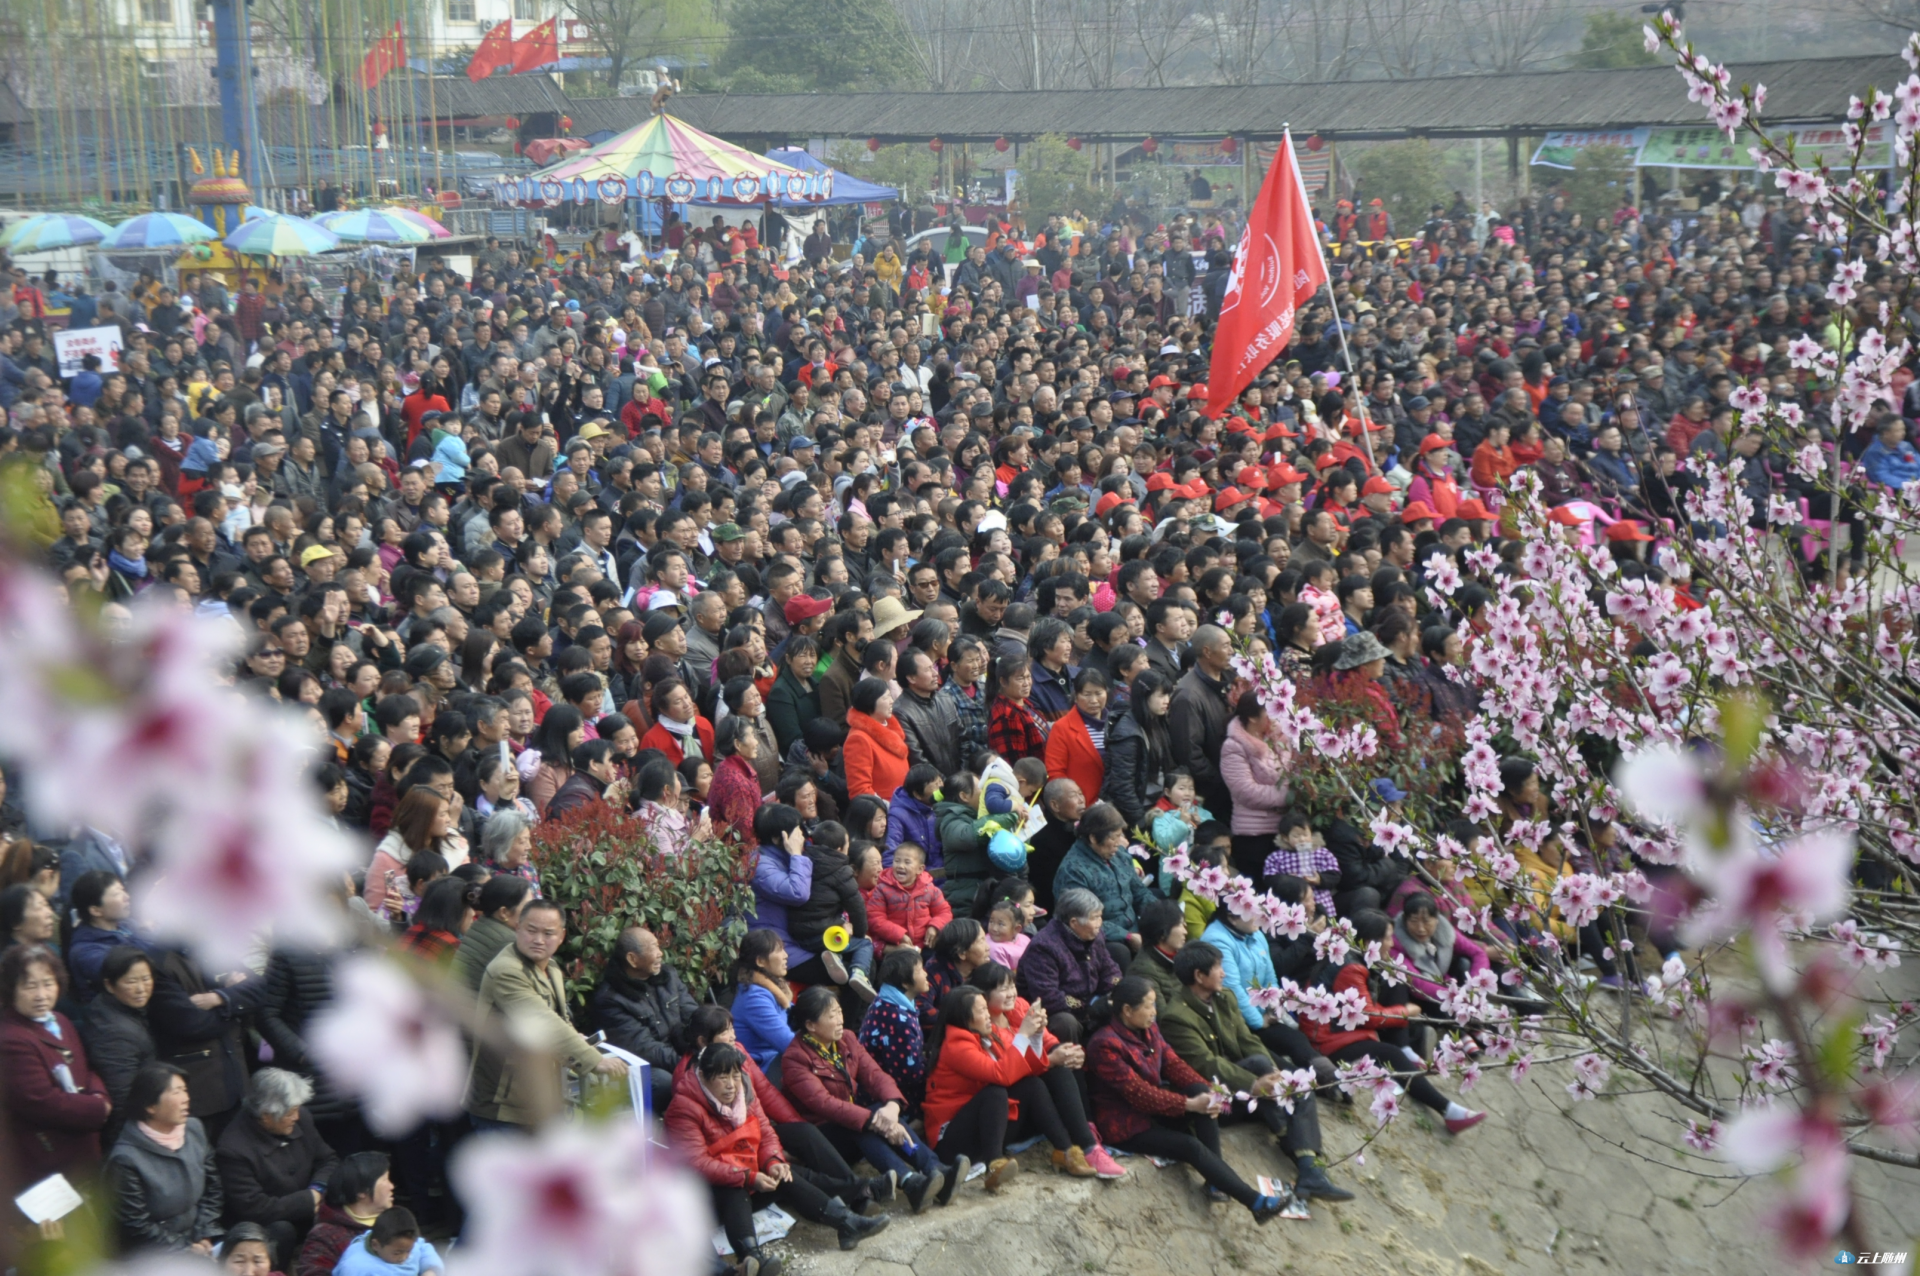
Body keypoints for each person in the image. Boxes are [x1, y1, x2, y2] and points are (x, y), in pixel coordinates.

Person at [1157, 941, 1352, 1202]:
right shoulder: (1176, 1017)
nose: (1224, 973)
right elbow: (1206, 1064)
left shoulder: (1224, 998)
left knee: (1297, 1083)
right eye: (1218, 968)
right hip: (1214, 1098)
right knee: (1260, 1067)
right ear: (1199, 976)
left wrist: (1274, 1072)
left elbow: (1246, 1039)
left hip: (1246, 1085)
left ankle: (1310, 1171)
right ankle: (1302, 1159)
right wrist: (1254, 1084)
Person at [1085, 977, 1289, 1222]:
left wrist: (1209, 1093)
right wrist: (1188, 1105)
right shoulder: (1104, 1045)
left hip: (1156, 1111)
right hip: (1127, 1125)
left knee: (1199, 1089)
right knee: (1190, 1146)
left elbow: (1173, 1064)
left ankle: (1216, 1182)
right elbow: (1139, 1094)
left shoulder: (1148, 1029)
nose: (1154, 1011)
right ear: (1127, 1010)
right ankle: (1255, 1202)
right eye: (1148, 1006)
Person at [664, 1042, 890, 1265]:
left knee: (785, 1174)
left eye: (735, 1075)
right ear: (703, 1076)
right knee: (734, 1187)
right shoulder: (684, 1107)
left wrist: (773, 1161)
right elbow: (698, 1164)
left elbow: (765, 1133)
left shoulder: (744, 1093)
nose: (731, 1085)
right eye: (723, 1077)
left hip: (745, 1171)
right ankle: (751, 1258)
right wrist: (748, 1177)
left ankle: (846, 1223)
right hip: (707, 1195)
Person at [778, 985, 962, 1212]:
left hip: (851, 1121)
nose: (840, 1020)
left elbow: (875, 1075)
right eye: (832, 1016)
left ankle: (937, 1172)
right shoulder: (795, 1059)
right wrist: (876, 1121)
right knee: (865, 1122)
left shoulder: (846, 1039)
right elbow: (825, 1105)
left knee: (878, 1114)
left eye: (839, 1012)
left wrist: (892, 1106)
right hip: (821, 1139)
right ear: (810, 1025)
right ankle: (910, 1181)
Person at [1301, 910, 1486, 1134]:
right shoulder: (1350, 968)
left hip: (1345, 1026)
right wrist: (1404, 1012)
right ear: (1371, 942)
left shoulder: (1355, 957)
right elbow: (1368, 1016)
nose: (1391, 943)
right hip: (1328, 1040)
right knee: (1391, 1054)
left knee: (1396, 980)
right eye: (1387, 938)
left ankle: (1408, 1045)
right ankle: (1447, 1110)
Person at [465, 899, 627, 1130]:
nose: (539, 940)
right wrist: (594, 1061)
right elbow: (542, 1020)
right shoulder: (506, 971)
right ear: (517, 928)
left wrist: (575, 1037)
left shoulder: (550, 967)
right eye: (531, 930)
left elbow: (559, 1018)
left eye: (548, 933)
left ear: (561, 936)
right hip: (503, 1102)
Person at [2, 943, 112, 1183]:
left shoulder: (61, 1020)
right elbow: (42, 1102)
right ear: (11, 989)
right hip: (46, 1158)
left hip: (82, 1149)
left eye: (48, 983)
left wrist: (100, 1096)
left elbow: (86, 1070)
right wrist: (96, 1109)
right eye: (30, 986)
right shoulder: (10, 1039)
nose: (41, 995)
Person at [215, 1068, 339, 1261]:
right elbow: (254, 1208)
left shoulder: (301, 1119)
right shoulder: (233, 1148)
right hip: (269, 1223)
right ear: (266, 1116)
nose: (296, 1117)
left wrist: (317, 1189)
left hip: (312, 1205)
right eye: (290, 1113)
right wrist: (306, 1200)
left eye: (297, 1109)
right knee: (281, 1230)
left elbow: (328, 1160)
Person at [105, 1061, 226, 1253]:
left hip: (199, 1238)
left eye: (185, 1090)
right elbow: (136, 1225)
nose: (186, 1098)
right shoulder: (125, 1159)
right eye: (176, 1092)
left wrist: (205, 1233)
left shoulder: (194, 1129)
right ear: (150, 1106)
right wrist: (187, 1248)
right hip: (156, 1252)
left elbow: (213, 1188)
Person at [591, 924, 698, 1117]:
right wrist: (690, 1065)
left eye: (658, 946)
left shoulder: (668, 976)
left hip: (679, 1052)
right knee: (666, 1081)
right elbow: (645, 1048)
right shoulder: (610, 1000)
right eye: (653, 948)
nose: (660, 954)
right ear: (632, 959)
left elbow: (693, 1014)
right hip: (643, 1066)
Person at [1050, 803, 1157, 970]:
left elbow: (1139, 892)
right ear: (1093, 838)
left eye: (1119, 836)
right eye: (1113, 837)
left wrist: (1159, 916)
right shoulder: (1073, 871)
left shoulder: (1120, 855)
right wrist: (1128, 936)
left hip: (1133, 926)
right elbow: (1082, 920)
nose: (1118, 843)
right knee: (1119, 952)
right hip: (1102, 938)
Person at [1015, 888, 1122, 1044]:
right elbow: (1048, 996)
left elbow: (1109, 969)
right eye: (1095, 918)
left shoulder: (1094, 935)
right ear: (1074, 922)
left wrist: (1115, 993)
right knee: (1065, 1022)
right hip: (1055, 1011)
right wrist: (1089, 1008)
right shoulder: (1044, 947)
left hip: (1090, 999)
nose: (1100, 923)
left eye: (1100, 916)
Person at [83, 944, 159, 1148]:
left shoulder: (116, 1008)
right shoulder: (114, 1032)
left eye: (146, 979)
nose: (141, 988)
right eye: (131, 981)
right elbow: (122, 1098)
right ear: (109, 985)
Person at [1220, 694, 1291, 880]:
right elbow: (1247, 792)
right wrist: (1289, 795)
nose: (1275, 717)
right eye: (1269, 712)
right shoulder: (1233, 746)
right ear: (1252, 718)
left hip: (1285, 831)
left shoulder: (1279, 738)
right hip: (1254, 836)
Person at [857, 946, 933, 1110]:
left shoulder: (888, 1001)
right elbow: (909, 1075)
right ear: (905, 983)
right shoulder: (897, 1019)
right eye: (920, 970)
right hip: (884, 1100)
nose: (926, 974)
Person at [296, 1151, 393, 1276]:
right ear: (362, 1191)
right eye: (385, 1179)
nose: (392, 1186)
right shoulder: (325, 1236)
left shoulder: (397, 1219)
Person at [452, 874, 533, 993]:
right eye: (527, 907)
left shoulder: (482, 924)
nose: (533, 913)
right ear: (504, 912)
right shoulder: (508, 942)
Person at [1044, 669, 1111, 808]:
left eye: (1098, 693)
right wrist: (1073, 803)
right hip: (1083, 808)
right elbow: (1055, 773)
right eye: (1087, 694)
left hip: (1116, 804)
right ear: (1076, 696)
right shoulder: (1062, 728)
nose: (1094, 700)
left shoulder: (1117, 723)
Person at [843, 677, 910, 800]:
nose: (891, 701)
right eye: (885, 698)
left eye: (890, 696)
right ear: (870, 702)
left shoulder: (891, 729)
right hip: (885, 809)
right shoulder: (858, 739)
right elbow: (860, 790)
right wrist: (888, 808)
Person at [331, 1207, 444, 1276]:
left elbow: (423, 1247)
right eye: (397, 1253)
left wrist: (430, 1271)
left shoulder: (404, 1242)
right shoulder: (355, 1268)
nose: (404, 1257)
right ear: (376, 1245)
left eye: (409, 1251)